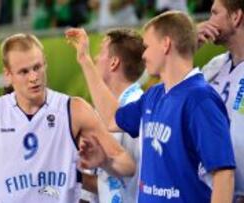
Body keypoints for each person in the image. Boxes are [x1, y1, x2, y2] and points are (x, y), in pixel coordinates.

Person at [66, 11, 235, 203]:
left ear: (166, 44)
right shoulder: (154, 95)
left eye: (146, 46)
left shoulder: (200, 98)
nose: (143, 55)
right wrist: (84, 59)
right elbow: (113, 118)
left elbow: (224, 175)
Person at [0, 33, 136, 203]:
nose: (34, 77)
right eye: (24, 72)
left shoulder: (74, 110)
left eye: (37, 67)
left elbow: (128, 166)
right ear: (8, 75)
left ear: (45, 64)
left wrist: (105, 162)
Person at [83, 28, 145, 203]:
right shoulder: (100, 110)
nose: (95, 58)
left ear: (113, 63)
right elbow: (108, 181)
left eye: (100, 53)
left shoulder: (138, 109)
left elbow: (134, 178)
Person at [198, 1, 244, 202]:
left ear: (236, 17)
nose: (208, 22)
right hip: (211, 191)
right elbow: (169, 99)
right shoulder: (213, 67)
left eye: (214, 13)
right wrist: (189, 47)